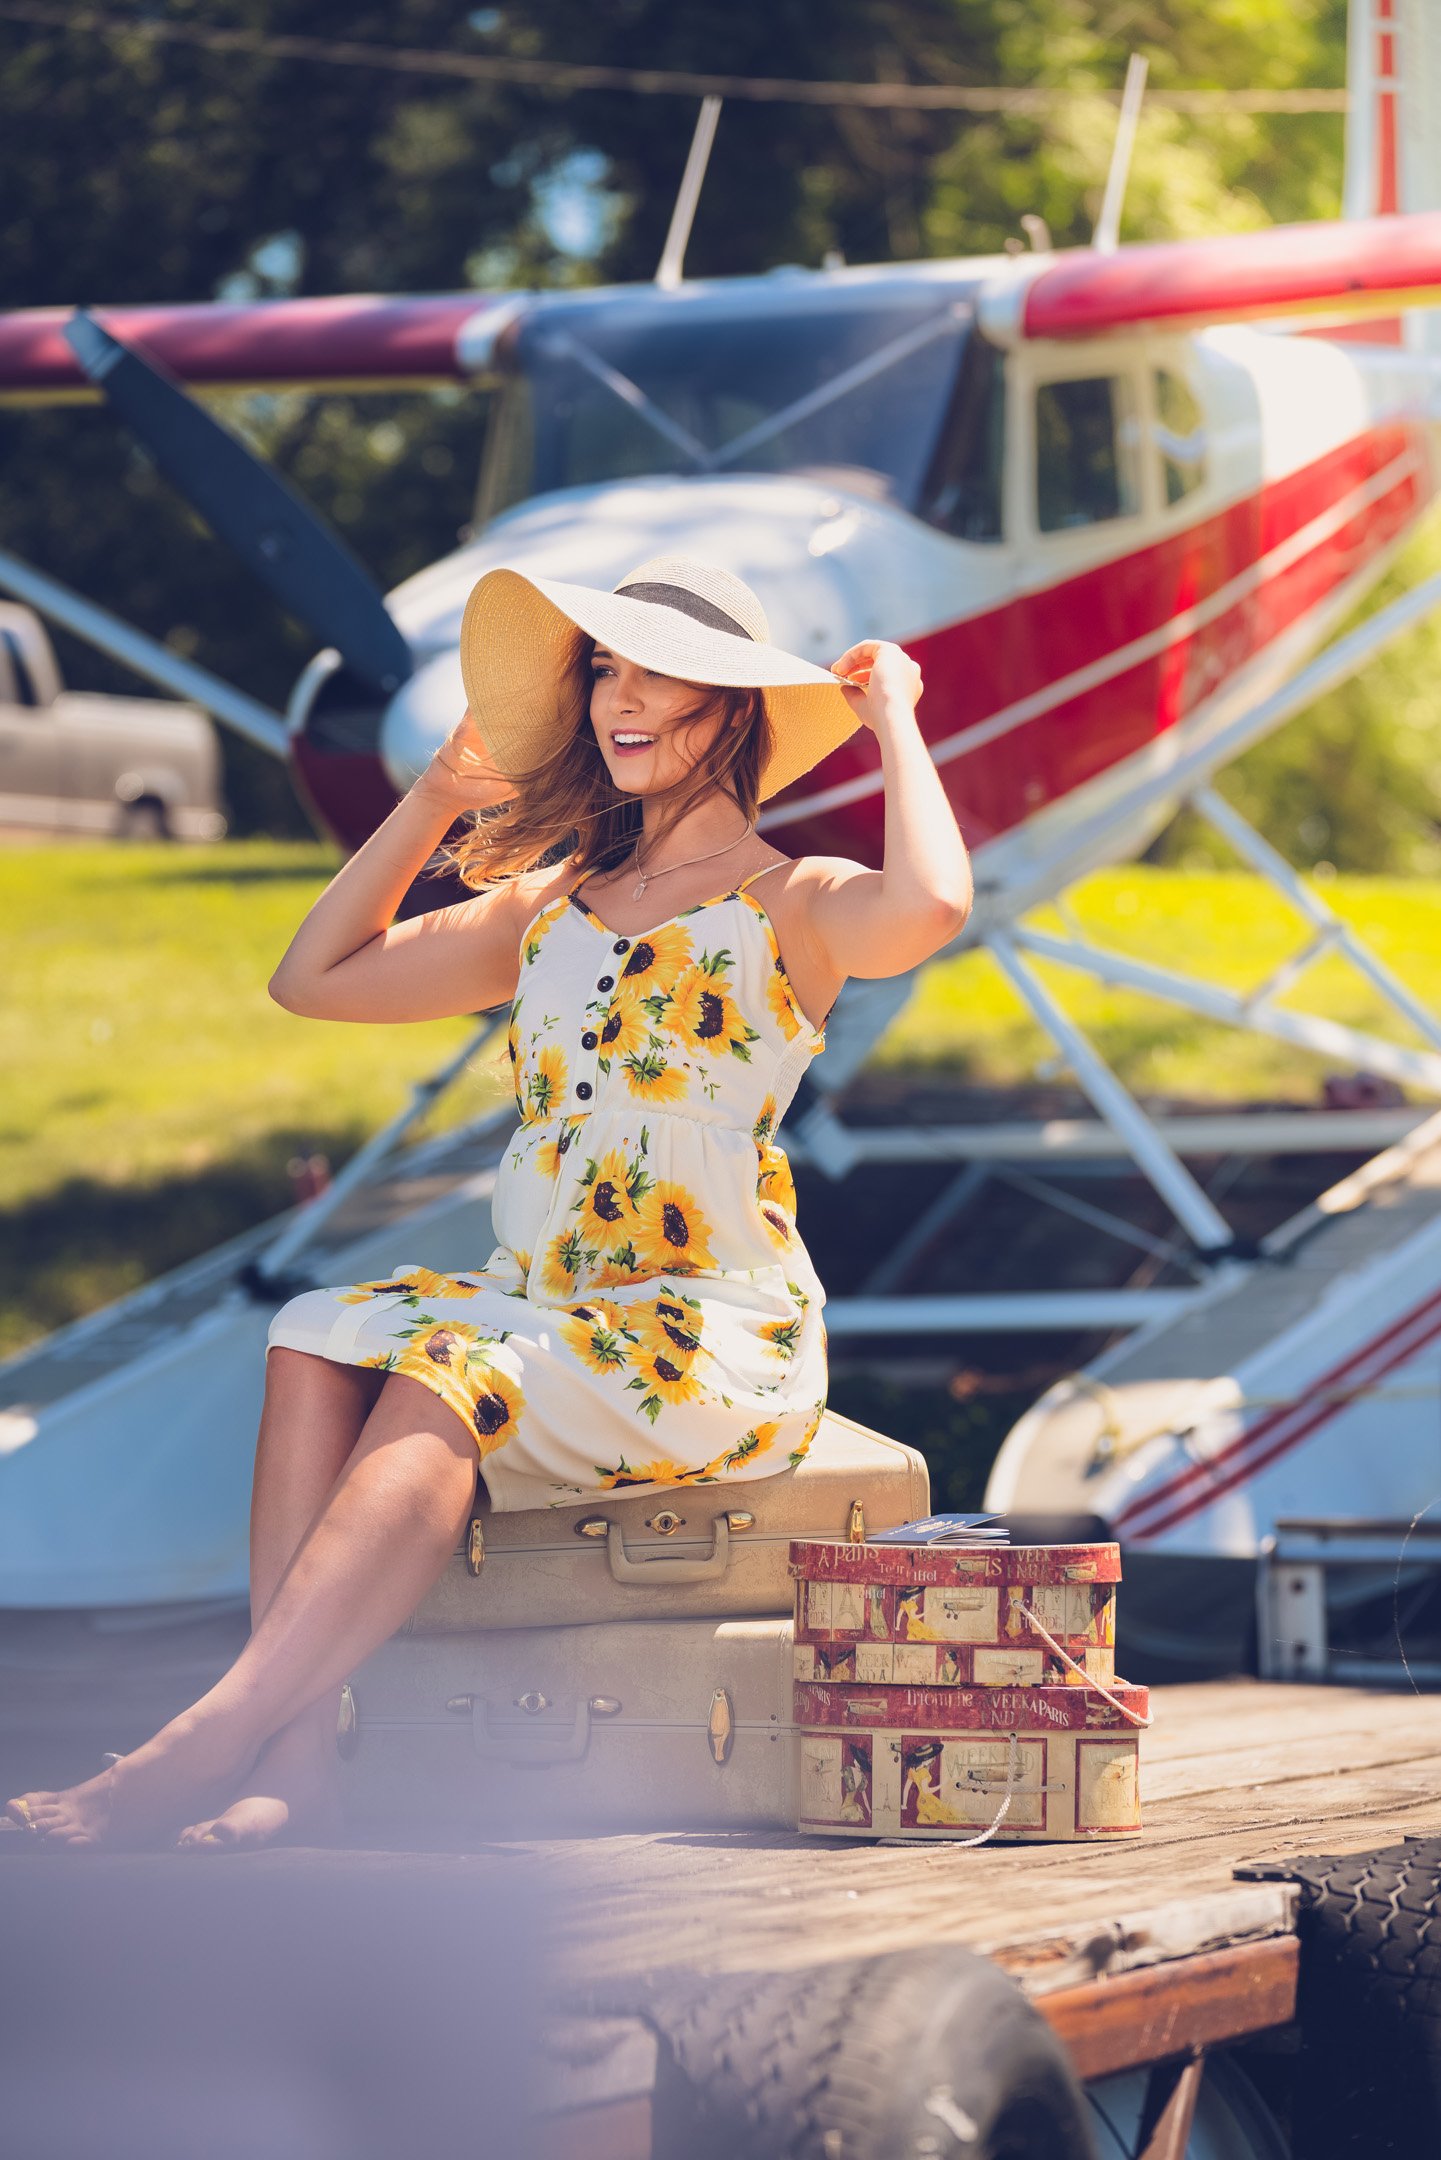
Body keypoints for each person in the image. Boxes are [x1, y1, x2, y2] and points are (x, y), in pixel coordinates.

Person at [5, 554, 972, 1850]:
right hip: (548, 1315)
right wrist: (430, 803)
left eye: (655, 676)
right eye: (604, 671)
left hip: (702, 1337)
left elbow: (932, 902)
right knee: (312, 1328)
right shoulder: (546, 915)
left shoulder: (786, 906)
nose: (617, 700)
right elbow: (315, 977)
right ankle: (296, 1767)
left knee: (451, 1363)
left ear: (731, 709)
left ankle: (196, 1743)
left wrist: (895, 716)